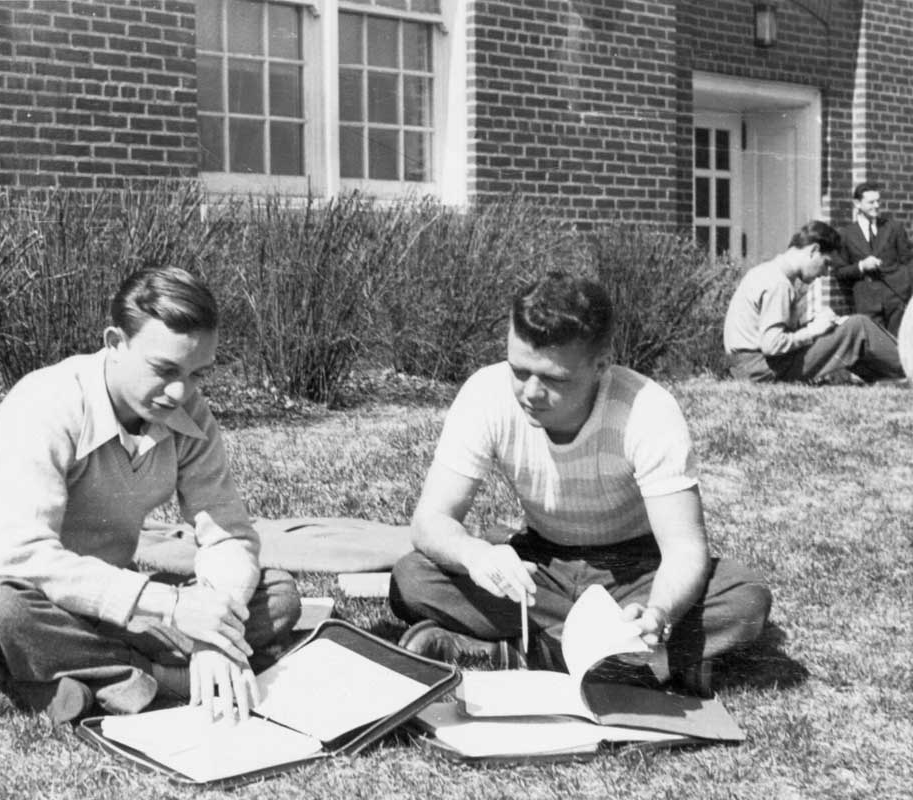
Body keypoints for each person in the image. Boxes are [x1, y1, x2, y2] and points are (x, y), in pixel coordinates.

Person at [0, 267, 300, 724]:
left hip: (113, 598)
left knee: (277, 593)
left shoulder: (191, 414)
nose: (180, 391)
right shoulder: (44, 402)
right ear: (114, 342)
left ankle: (77, 678)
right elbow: (21, 555)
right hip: (16, 588)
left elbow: (228, 535)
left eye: (196, 374)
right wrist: (177, 607)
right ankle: (165, 681)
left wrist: (211, 632)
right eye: (164, 370)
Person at [389, 272, 772, 696]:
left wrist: (659, 612)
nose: (530, 392)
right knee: (413, 577)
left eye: (554, 379)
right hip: (540, 570)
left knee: (744, 599)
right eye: (519, 370)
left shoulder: (646, 409)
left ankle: (511, 655)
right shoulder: (486, 393)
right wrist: (475, 555)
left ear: (600, 365)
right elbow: (430, 521)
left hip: (634, 574)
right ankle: (639, 663)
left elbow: (684, 547)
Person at [723, 220, 904, 383]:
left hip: (748, 367)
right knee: (858, 326)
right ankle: (908, 365)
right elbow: (772, 344)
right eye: (826, 263)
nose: (825, 273)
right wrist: (814, 330)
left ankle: (892, 380)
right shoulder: (778, 283)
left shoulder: (764, 272)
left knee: (847, 330)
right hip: (761, 369)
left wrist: (817, 325)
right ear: (813, 250)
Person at [831, 181, 913, 335]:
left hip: (897, 299)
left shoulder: (893, 227)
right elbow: (839, 271)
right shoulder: (846, 234)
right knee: (875, 349)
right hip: (866, 302)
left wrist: (906, 290)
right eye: (871, 202)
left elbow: (908, 260)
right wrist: (861, 266)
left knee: (900, 345)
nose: (876, 206)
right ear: (857, 203)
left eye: (878, 201)